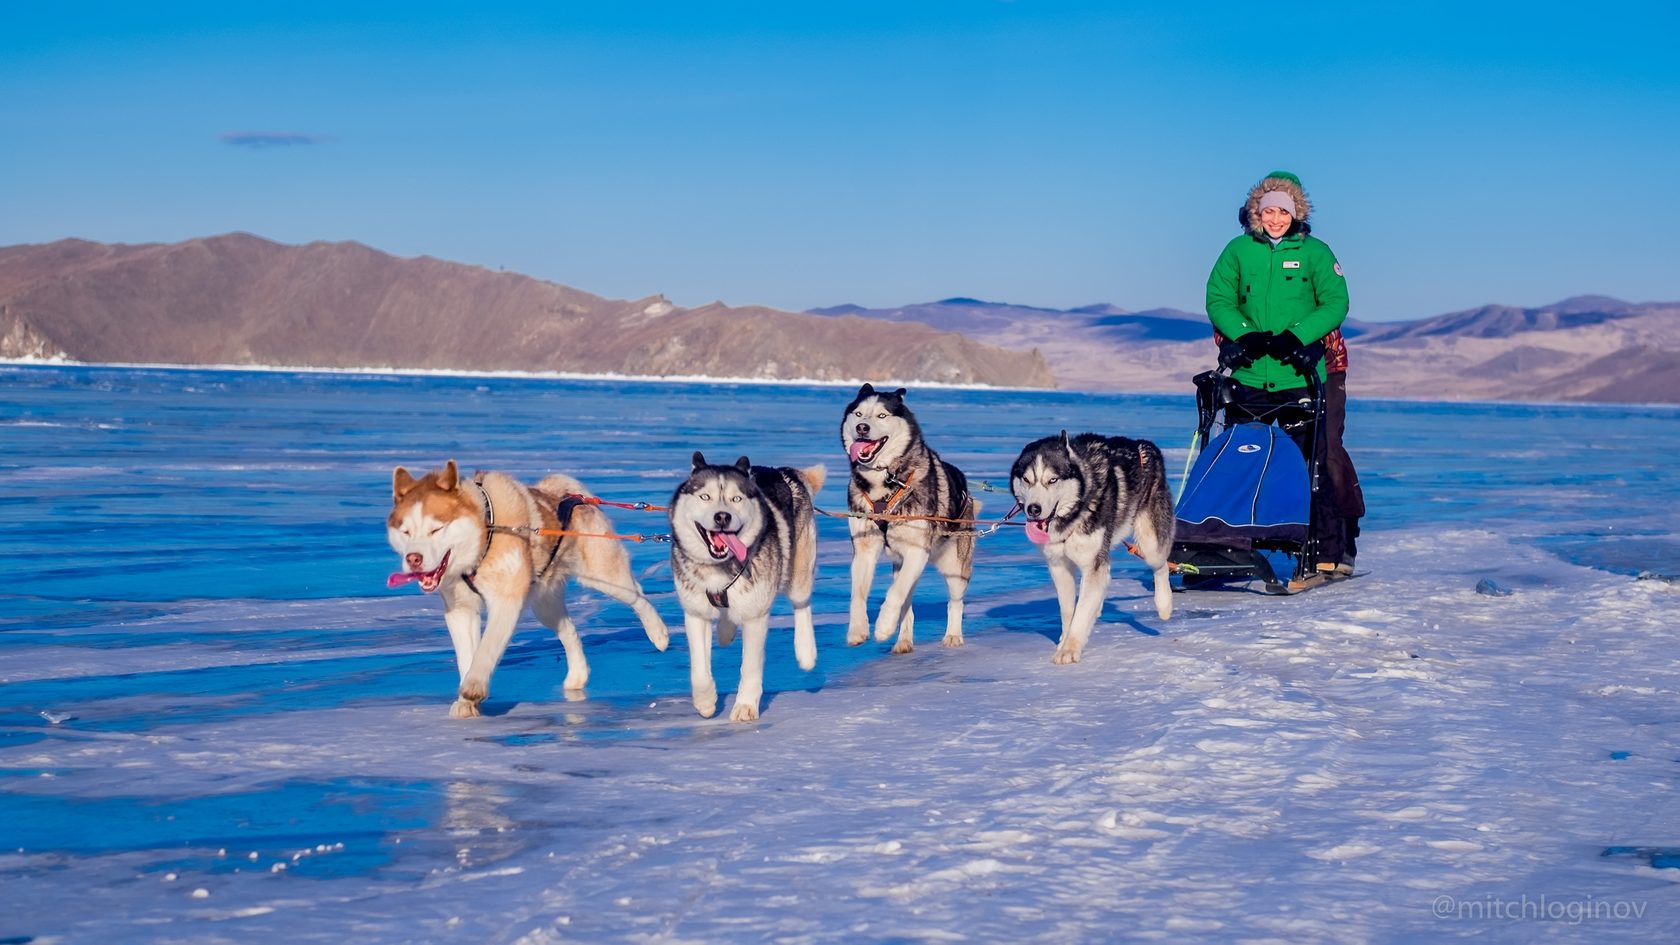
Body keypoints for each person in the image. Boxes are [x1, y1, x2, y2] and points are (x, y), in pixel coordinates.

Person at [1205, 170, 1361, 583]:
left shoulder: (1315, 252)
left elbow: (1335, 301)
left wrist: (1299, 336)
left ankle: (1330, 547)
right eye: (1268, 210)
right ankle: (1224, 546)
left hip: (1305, 372)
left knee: (1318, 460)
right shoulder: (1238, 250)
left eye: (1283, 211)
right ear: (1256, 212)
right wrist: (1244, 336)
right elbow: (1218, 298)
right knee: (1241, 460)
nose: (1275, 218)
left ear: (1297, 213)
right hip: (1252, 372)